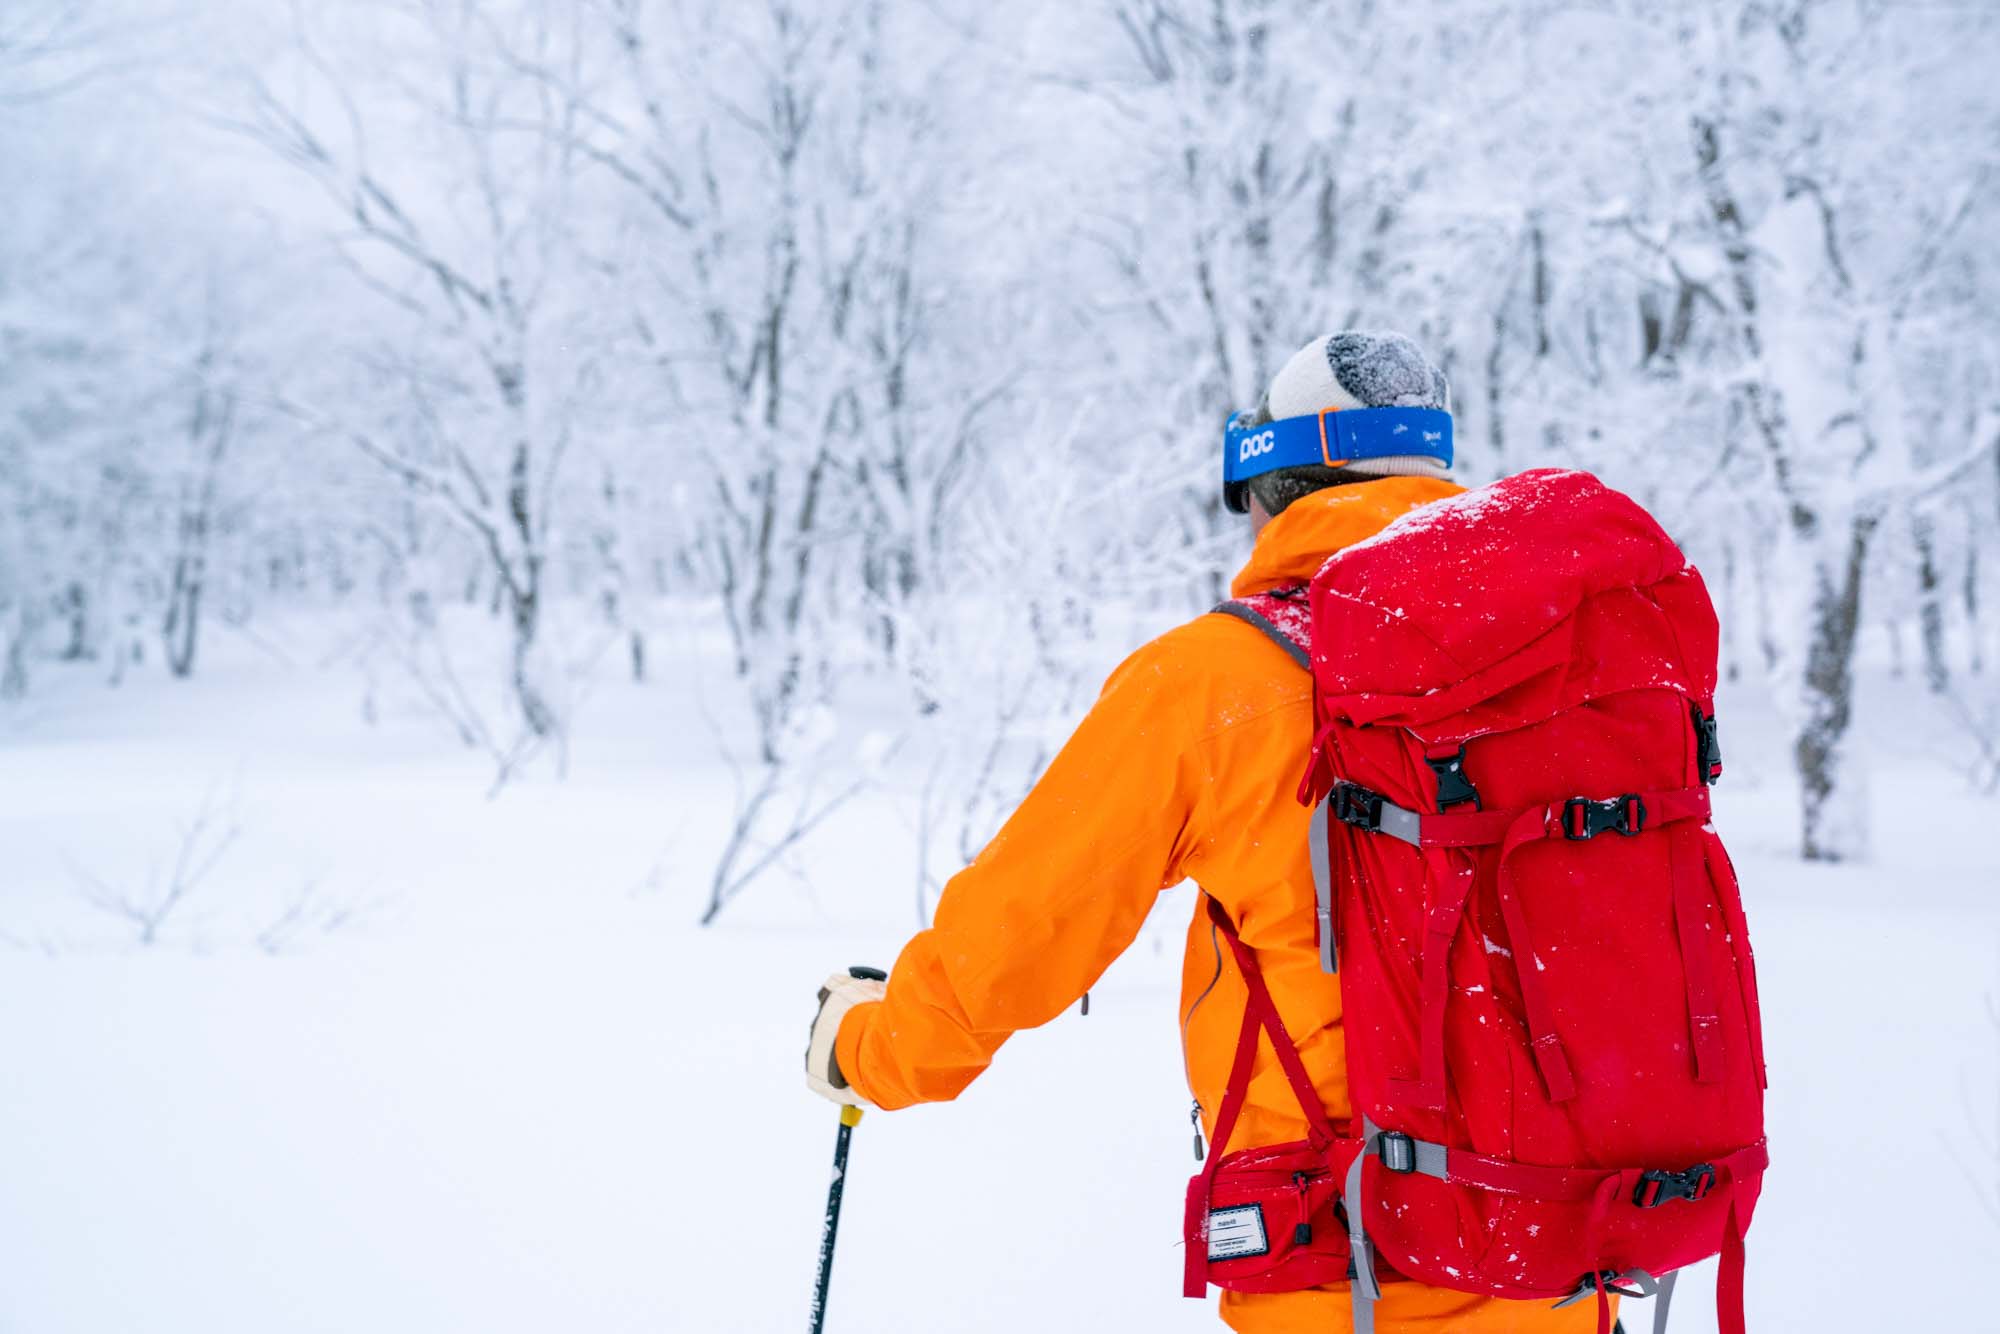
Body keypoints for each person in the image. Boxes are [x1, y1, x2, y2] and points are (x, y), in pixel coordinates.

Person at [804, 332, 1600, 1332]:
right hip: (1565, 1260)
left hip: (1346, 1268)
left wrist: (874, 1047)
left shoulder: (1214, 683)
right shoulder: (1566, 665)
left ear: (1267, 489)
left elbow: (1022, 926)